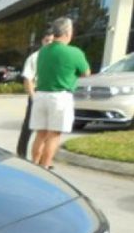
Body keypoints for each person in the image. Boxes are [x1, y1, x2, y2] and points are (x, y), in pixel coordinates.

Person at [29, 17, 90, 169]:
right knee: (54, 135)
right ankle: (45, 168)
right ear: (67, 32)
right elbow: (86, 73)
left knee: (40, 134)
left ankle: (34, 165)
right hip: (60, 97)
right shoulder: (74, 52)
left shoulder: (43, 51)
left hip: (41, 95)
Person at [16, 27, 54, 158]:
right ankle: (21, 155)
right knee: (28, 127)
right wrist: (33, 97)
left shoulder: (56, 57)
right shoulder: (34, 57)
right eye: (47, 40)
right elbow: (28, 78)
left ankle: (44, 161)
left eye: (52, 41)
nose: (49, 43)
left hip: (51, 95)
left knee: (48, 129)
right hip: (37, 94)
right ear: (42, 41)